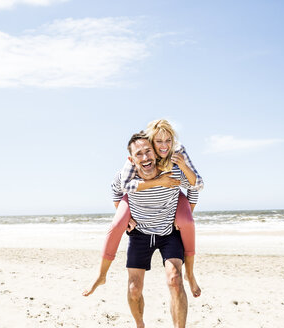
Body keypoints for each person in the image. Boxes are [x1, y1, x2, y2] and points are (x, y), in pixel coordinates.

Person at [82, 119, 204, 298]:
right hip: (135, 197)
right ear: (151, 143)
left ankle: (190, 274)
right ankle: (101, 275)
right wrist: (126, 215)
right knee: (117, 225)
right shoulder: (137, 159)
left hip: (173, 197)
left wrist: (187, 212)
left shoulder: (178, 154)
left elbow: (196, 186)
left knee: (186, 222)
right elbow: (121, 185)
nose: (164, 146)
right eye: (159, 141)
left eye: (168, 140)